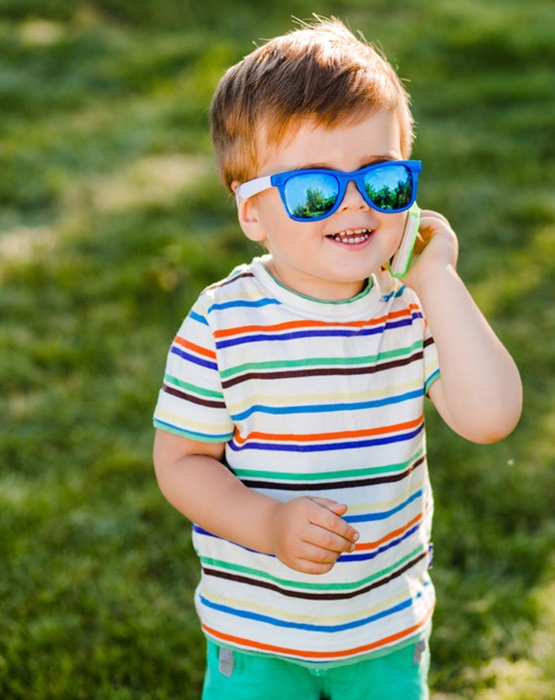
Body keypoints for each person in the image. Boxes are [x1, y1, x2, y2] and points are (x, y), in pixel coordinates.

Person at [152, 17, 522, 700]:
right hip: (257, 634)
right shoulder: (221, 321)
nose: (353, 203)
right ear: (253, 213)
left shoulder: (412, 309)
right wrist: (267, 524)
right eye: (315, 190)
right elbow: (180, 462)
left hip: (383, 631)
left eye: (381, 179)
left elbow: (491, 417)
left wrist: (437, 277)